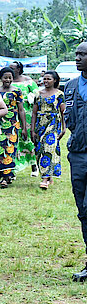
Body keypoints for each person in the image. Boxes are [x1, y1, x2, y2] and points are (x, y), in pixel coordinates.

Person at [65, 43, 87, 282]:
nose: (77, 58)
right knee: (83, 210)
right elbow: (69, 118)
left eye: (83, 54)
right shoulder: (71, 86)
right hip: (79, 154)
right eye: (77, 54)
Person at [31, 70, 65, 189]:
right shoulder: (38, 94)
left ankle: (45, 179)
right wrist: (32, 130)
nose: (46, 81)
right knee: (39, 150)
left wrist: (64, 128)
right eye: (44, 79)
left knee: (49, 148)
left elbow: (63, 112)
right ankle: (48, 175)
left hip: (53, 124)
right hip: (40, 124)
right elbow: (34, 113)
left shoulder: (59, 94)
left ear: (54, 80)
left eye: (49, 79)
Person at [0, 67, 27, 188]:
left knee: (10, 148)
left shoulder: (17, 92)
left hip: (12, 123)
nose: (8, 80)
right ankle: (3, 174)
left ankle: (6, 176)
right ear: (1, 78)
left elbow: (21, 110)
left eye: (10, 77)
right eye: (5, 77)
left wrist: (24, 127)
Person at [10, 61, 39, 176]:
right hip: (13, 115)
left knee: (28, 139)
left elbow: (37, 94)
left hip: (27, 115)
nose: (11, 70)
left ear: (19, 69)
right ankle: (13, 169)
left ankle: (34, 166)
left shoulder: (28, 81)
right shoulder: (8, 81)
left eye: (13, 68)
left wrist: (31, 98)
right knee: (14, 141)